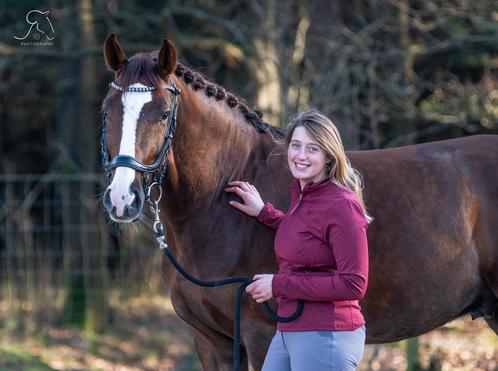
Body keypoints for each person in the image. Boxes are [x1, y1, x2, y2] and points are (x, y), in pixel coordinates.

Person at [225, 110, 370, 371]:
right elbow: (309, 238)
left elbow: (354, 284)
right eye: (296, 145)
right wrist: (264, 213)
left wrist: (279, 285)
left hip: (326, 335)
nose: (301, 156)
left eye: (313, 149)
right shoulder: (303, 195)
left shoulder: (342, 205)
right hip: (290, 329)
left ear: (328, 156)